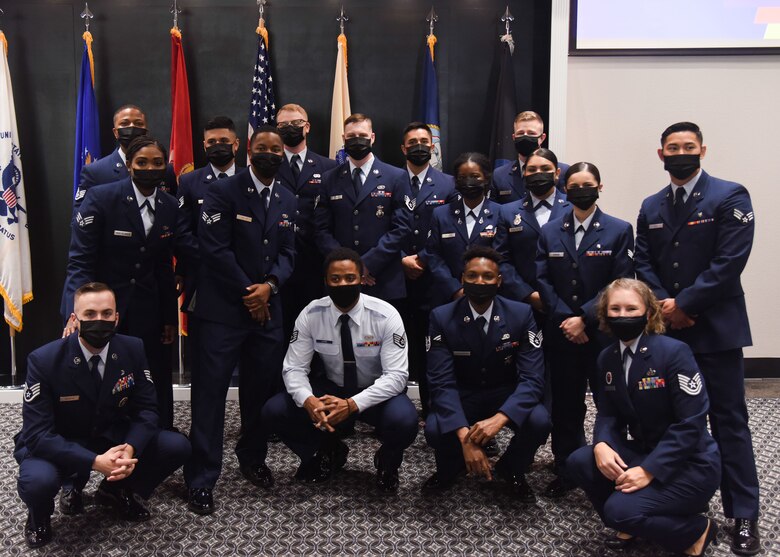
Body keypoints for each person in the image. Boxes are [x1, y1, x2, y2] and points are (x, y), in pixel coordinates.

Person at [634, 121, 760, 555]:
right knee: (674, 425)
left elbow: (730, 262)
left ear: (702, 150)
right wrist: (668, 305)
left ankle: (743, 514)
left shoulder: (730, 196)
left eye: (688, 146)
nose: (681, 153)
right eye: (673, 147)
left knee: (729, 422)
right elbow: (644, 264)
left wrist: (686, 304)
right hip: (670, 334)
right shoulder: (651, 206)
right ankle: (679, 509)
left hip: (716, 329)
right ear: (661, 154)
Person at [15, 283, 191, 548]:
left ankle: (115, 490)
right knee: (38, 480)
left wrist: (130, 448)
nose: (100, 320)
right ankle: (39, 517)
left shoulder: (132, 348)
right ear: (75, 319)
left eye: (107, 314)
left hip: (110, 435)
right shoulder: (44, 360)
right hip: (61, 441)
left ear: (117, 317)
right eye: (90, 314)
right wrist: (95, 461)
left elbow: (147, 410)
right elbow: (38, 435)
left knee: (175, 446)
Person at [184, 126, 296, 515]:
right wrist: (253, 294)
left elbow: (288, 253)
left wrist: (271, 285)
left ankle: (252, 457)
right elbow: (214, 251)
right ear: (248, 150)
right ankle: (201, 476)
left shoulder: (287, 198)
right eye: (262, 148)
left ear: (283, 154)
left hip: (268, 312)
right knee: (210, 396)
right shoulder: (222, 191)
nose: (269, 154)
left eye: (276, 149)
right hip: (222, 313)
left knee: (260, 393)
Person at [567, 278, 720, 557]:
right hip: (646, 451)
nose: (622, 315)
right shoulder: (607, 358)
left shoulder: (674, 353)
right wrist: (601, 443)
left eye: (631, 308)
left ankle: (695, 529)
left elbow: (691, 423)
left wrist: (649, 470)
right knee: (581, 460)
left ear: (648, 313)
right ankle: (638, 521)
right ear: (605, 314)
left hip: (690, 464)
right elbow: (608, 412)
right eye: (615, 309)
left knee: (617, 511)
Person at [61, 136, 196, 430]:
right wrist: (75, 312)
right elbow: (80, 261)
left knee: (154, 376)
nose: (150, 168)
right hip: (103, 310)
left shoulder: (170, 206)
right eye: (142, 162)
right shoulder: (100, 198)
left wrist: (168, 319)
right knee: (104, 377)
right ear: (130, 166)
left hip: (148, 308)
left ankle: (159, 435)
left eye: (157, 163)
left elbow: (163, 266)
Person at [262, 248, 418, 492]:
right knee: (275, 411)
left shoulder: (385, 315)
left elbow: (397, 377)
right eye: (335, 279)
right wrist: (308, 400)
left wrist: (352, 404)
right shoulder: (311, 314)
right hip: (331, 390)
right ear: (325, 281)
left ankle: (387, 463)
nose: (342, 284)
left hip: (374, 393)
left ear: (361, 279)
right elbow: (293, 368)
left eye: (349, 278)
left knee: (405, 421)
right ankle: (325, 452)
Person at [535, 161, 634, 498]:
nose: (580, 190)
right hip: (562, 333)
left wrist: (585, 318)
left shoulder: (619, 229)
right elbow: (543, 279)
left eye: (587, 184)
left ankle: (613, 468)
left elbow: (619, 282)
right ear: (565, 187)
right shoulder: (549, 230)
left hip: (602, 333)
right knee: (566, 403)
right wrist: (567, 318)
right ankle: (567, 466)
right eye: (573, 185)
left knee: (609, 402)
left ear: (600, 187)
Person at [422, 246, 550, 501]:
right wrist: (465, 437)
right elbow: (440, 381)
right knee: (436, 428)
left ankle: (511, 468)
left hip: (504, 392)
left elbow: (533, 379)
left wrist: (500, 418)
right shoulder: (442, 316)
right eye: (472, 276)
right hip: (463, 393)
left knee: (539, 420)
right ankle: (451, 466)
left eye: (488, 276)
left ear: (499, 281)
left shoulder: (521, 314)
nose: (480, 282)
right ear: (462, 279)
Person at [314, 113, 413, 305]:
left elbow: (402, 228)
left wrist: (367, 265)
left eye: (362, 135)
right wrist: (349, 267)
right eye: (350, 136)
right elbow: (321, 230)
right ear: (343, 139)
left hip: (384, 280)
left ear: (372, 138)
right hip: (340, 279)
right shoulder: (329, 179)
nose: (356, 140)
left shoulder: (396, 176)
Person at [398, 122, 458, 417]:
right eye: (413, 141)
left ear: (432, 146)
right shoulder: (391, 180)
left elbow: (452, 229)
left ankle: (431, 408)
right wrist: (400, 259)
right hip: (394, 276)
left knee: (431, 346)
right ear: (403, 148)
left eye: (424, 140)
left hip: (433, 277)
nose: (419, 145)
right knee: (395, 343)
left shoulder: (448, 184)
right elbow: (379, 227)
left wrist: (421, 258)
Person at [176, 116, 240, 381]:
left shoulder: (251, 179)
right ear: (203, 146)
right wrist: (214, 259)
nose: (218, 146)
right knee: (207, 363)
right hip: (204, 279)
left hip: (245, 281)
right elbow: (182, 231)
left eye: (224, 141)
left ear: (236, 145)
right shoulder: (189, 182)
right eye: (211, 142)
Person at [274, 104, 338, 345]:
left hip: (315, 260)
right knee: (280, 330)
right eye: (283, 126)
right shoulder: (269, 164)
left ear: (307, 127)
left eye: (296, 124)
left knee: (316, 329)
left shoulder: (328, 167)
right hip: (278, 259)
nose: (290, 129)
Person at [494, 148, 570, 317]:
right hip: (521, 303)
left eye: (545, 169)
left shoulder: (573, 208)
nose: (538, 173)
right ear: (524, 173)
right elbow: (502, 259)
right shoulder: (508, 211)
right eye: (532, 170)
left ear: (557, 173)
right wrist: (527, 294)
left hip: (566, 304)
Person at [422, 152, 500, 309]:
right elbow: (433, 255)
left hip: (490, 297)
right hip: (447, 297)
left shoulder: (501, 213)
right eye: (463, 177)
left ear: (486, 178)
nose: (468, 181)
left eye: (475, 176)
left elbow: (503, 255)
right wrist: (455, 289)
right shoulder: (441, 214)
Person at [73, 104, 177, 213]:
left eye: (138, 123)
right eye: (125, 123)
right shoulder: (95, 172)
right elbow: (81, 215)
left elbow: (174, 210)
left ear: (146, 131)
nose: (132, 127)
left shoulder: (166, 170)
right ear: (115, 132)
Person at [489, 111, 569, 204]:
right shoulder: (500, 175)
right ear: (514, 137)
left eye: (531, 133)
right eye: (521, 133)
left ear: (542, 138)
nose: (525, 137)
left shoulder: (563, 172)